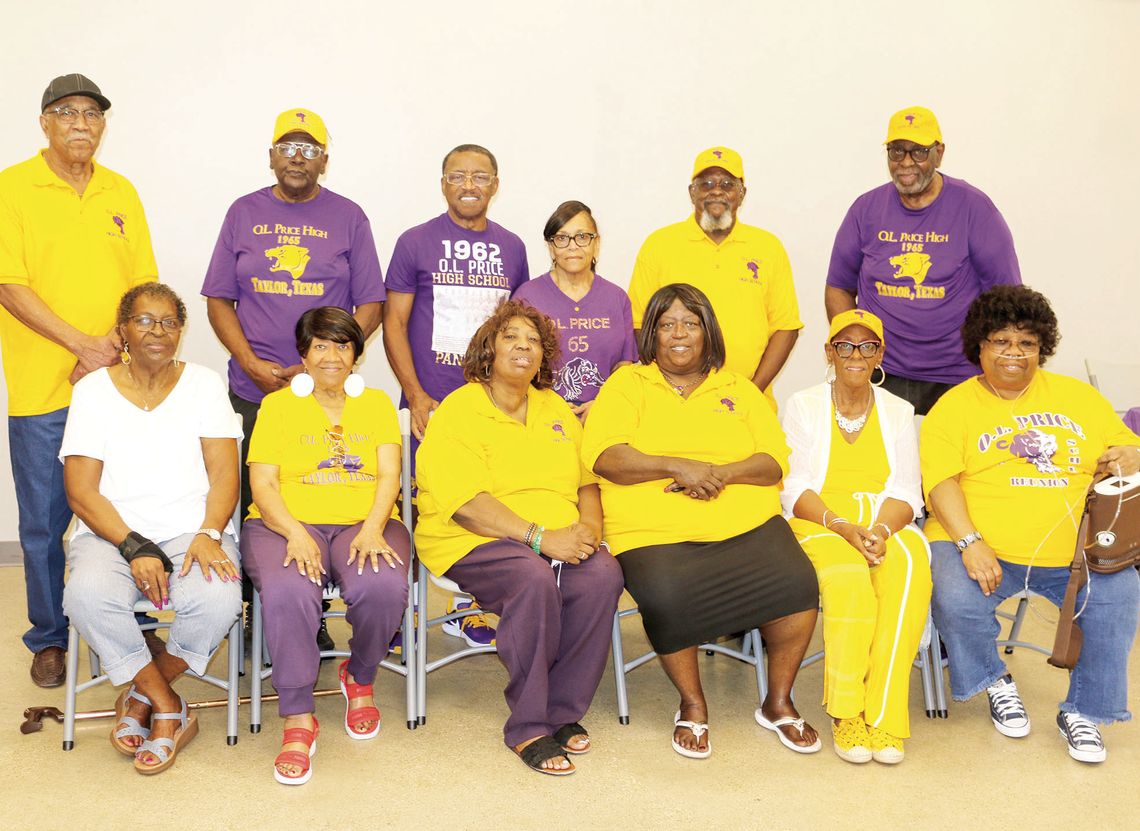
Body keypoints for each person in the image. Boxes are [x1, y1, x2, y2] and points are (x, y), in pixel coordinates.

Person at [583, 283, 821, 759]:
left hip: (745, 523)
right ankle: (692, 704)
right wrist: (676, 465)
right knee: (668, 595)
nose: (679, 333)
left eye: (690, 323)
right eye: (667, 323)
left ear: (707, 331)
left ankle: (778, 702)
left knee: (798, 584)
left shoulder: (738, 389)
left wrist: (718, 474)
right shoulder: (627, 385)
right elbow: (607, 457)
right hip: (654, 533)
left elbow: (773, 462)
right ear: (651, 334)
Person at [923, 285, 1140, 764]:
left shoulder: (1078, 398)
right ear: (979, 345)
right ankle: (994, 680)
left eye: (1026, 343)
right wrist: (970, 542)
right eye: (1001, 341)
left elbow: (1128, 453)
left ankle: (1085, 711)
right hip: (977, 543)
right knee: (954, 596)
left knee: (1121, 594)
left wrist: (1133, 453)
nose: (1014, 353)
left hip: (1074, 554)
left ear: (1043, 347)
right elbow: (939, 484)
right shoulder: (954, 407)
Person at [202, 108, 386, 652]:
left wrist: (327, 363)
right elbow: (218, 298)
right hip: (254, 387)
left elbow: (371, 301)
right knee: (262, 503)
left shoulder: (348, 216)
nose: (297, 156)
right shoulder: (243, 211)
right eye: (287, 146)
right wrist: (253, 364)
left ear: (324, 160)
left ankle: (316, 613)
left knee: (327, 487)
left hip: (329, 390)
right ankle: (258, 611)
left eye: (309, 148)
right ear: (271, 155)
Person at [415, 300, 623, 776]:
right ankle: (527, 725)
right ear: (488, 350)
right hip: (471, 539)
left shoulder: (555, 409)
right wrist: (539, 538)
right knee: (530, 578)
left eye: (533, 340)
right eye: (511, 337)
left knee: (602, 575)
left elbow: (587, 483)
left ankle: (561, 711)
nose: (524, 347)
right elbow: (466, 504)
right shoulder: (460, 409)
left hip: (555, 537)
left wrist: (589, 529)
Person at [0, 73, 158, 687]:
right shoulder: (13, 187)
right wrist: (79, 345)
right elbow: (10, 285)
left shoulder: (121, 191)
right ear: (45, 122)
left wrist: (110, 347)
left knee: (127, 507)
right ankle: (49, 637)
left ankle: (134, 618)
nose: (81, 123)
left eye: (92, 113)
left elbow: (143, 289)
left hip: (119, 386)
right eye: (67, 112)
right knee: (43, 522)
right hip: (45, 387)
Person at [60, 283, 242, 774]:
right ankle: (168, 708)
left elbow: (226, 474)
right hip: (109, 532)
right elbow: (81, 491)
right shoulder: (92, 392)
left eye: (168, 322)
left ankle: (139, 697)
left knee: (219, 598)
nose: (157, 332)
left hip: (193, 530)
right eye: (144, 321)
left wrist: (209, 532)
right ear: (122, 330)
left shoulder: (203, 385)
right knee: (86, 596)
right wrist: (133, 544)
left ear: (181, 331)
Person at [241, 307, 410, 785]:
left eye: (342, 345)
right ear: (303, 354)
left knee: (381, 584)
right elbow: (264, 483)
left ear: (356, 354)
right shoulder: (277, 406)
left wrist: (374, 527)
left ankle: (359, 676)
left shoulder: (376, 404)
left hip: (364, 520)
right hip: (285, 523)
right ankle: (297, 717)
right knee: (291, 588)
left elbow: (389, 475)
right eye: (320, 345)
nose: (331, 355)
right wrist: (294, 532)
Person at [383, 144, 530, 647]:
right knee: (414, 507)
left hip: (490, 411)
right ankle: (402, 611)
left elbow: (516, 334)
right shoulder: (414, 242)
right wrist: (415, 394)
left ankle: (472, 605)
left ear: (495, 184)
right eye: (458, 176)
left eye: (480, 176)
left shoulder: (512, 248)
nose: (470, 185)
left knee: (486, 500)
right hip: (430, 405)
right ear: (443, 183)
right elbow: (394, 322)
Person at [781, 309, 932, 764]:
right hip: (821, 520)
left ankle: (884, 717)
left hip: (887, 520)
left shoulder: (899, 410)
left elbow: (908, 488)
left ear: (879, 354)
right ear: (829, 352)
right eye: (845, 344)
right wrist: (844, 528)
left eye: (867, 346)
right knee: (848, 580)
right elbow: (793, 487)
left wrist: (882, 531)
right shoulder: (803, 404)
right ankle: (847, 711)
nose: (855, 354)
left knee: (907, 574)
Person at [825, 106, 1022, 415]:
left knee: (950, 464)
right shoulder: (866, 209)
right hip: (882, 374)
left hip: (957, 375)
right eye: (897, 151)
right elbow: (838, 287)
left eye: (918, 152)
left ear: (939, 153)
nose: (906, 163)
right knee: (882, 463)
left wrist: (991, 364)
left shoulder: (974, 208)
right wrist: (855, 352)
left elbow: (1007, 298)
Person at [628, 147, 801, 407]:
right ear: (692, 192)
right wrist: (671, 388)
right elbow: (639, 323)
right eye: (706, 183)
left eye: (727, 183)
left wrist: (751, 393)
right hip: (673, 403)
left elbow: (785, 327)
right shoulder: (659, 245)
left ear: (742, 194)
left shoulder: (768, 247)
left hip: (749, 401)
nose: (716, 190)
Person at [512, 201, 636, 419]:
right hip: (540, 416)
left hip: (605, 415)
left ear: (596, 243)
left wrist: (603, 404)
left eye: (582, 236)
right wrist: (548, 404)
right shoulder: (527, 297)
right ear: (551, 247)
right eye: (561, 238)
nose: (572, 246)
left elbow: (625, 368)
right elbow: (513, 363)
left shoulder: (617, 298)